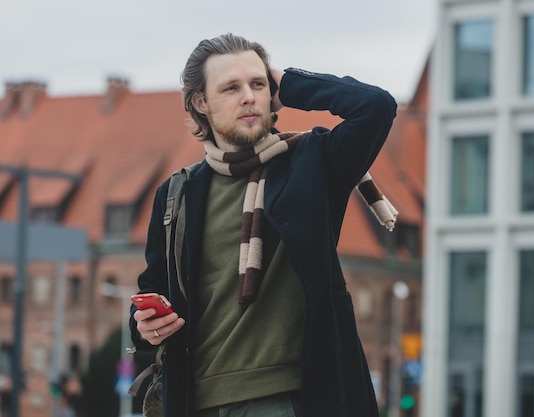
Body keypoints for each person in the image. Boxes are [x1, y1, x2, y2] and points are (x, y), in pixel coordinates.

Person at [130, 33, 397, 417]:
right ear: (200, 103)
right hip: (194, 400)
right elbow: (153, 288)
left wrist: (288, 82)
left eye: (257, 84)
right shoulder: (178, 192)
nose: (249, 97)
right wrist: (143, 326)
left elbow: (377, 107)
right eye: (231, 87)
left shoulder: (313, 164)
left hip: (287, 399)